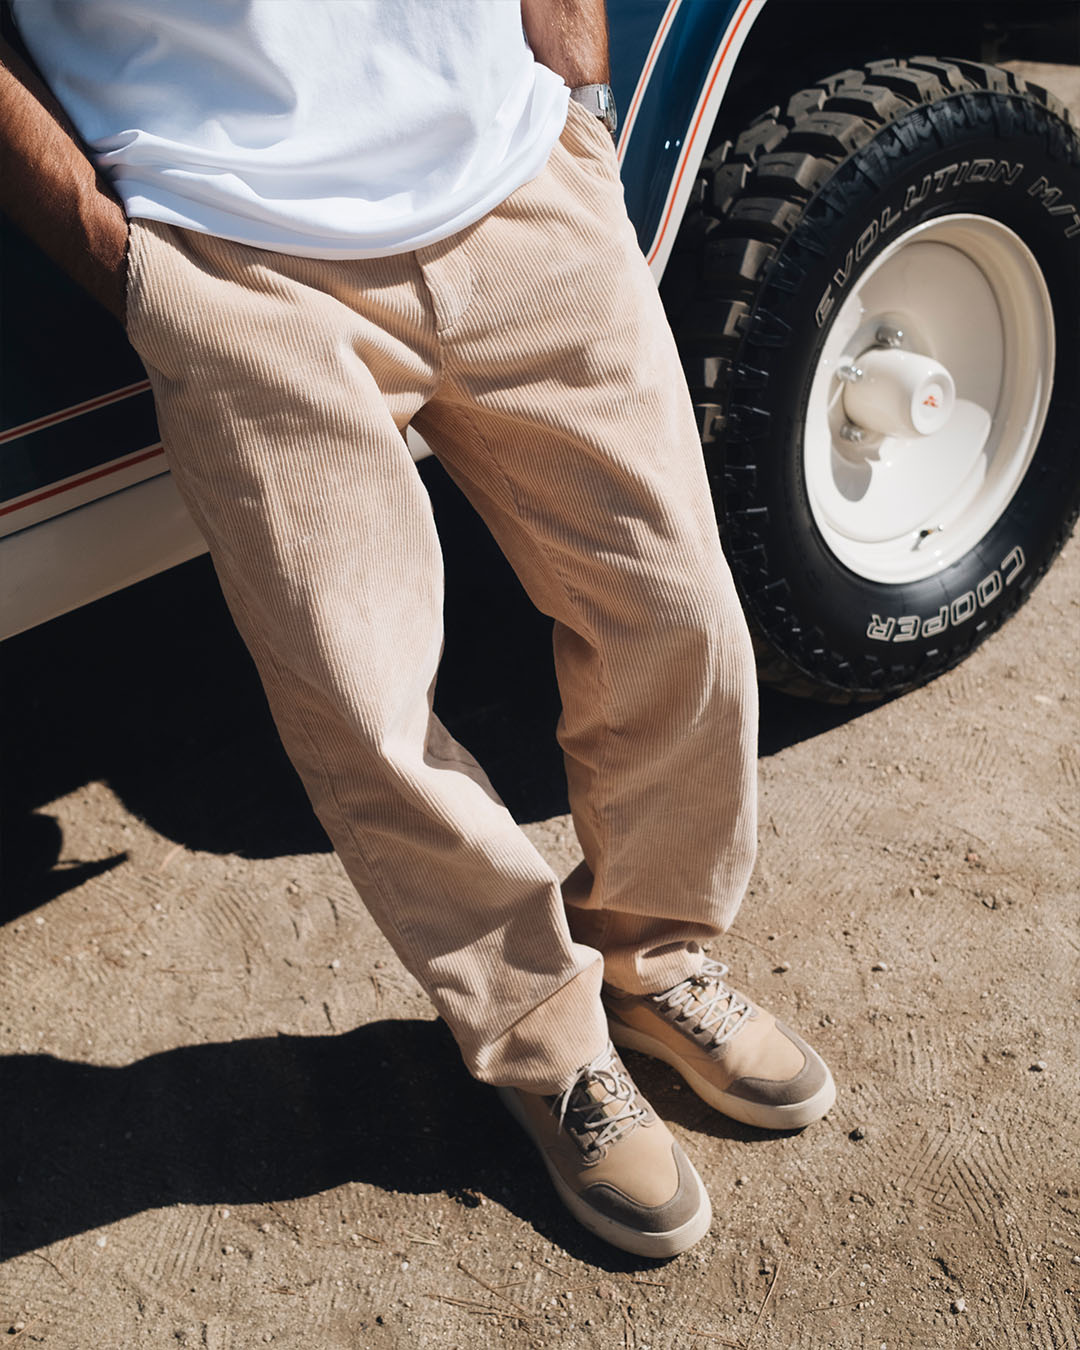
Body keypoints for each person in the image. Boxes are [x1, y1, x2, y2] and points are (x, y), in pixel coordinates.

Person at [1, 0, 835, 1258]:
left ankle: (651, 956)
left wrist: (578, 93)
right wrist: (118, 255)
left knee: (676, 607)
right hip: (231, 250)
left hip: (515, 171)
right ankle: (545, 1042)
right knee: (367, 708)